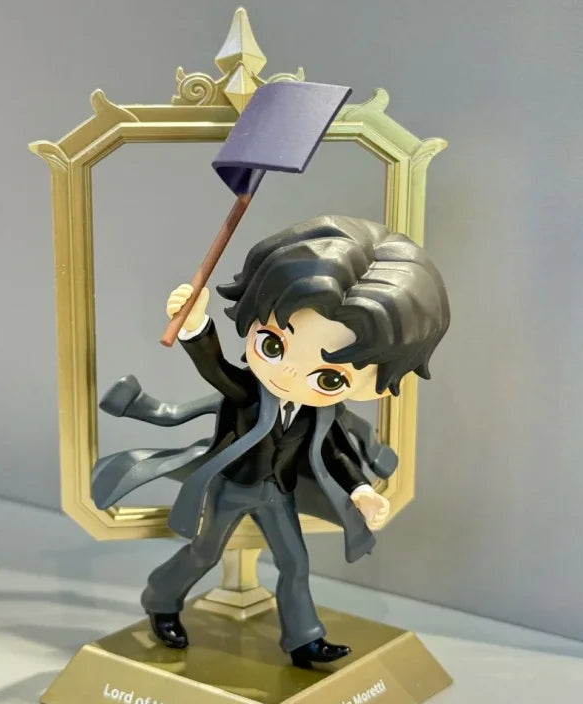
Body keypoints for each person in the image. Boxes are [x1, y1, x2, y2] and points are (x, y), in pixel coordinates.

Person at [92, 215, 450, 667]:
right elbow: (217, 369)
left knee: (295, 564)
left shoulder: (321, 412)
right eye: (275, 346)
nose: (289, 375)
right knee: (204, 552)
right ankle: (160, 599)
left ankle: (303, 640)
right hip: (231, 488)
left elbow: (335, 453)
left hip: (277, 494)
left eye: (328, 376)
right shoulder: (247, 393)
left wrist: (361, 490)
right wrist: (195, 325)